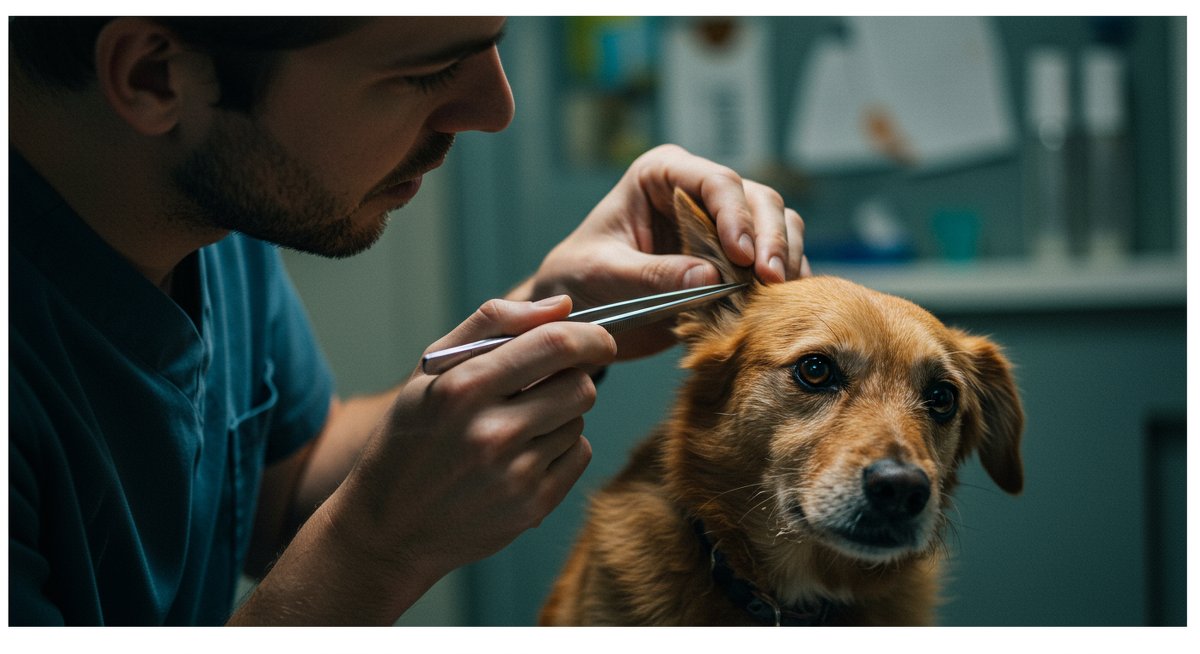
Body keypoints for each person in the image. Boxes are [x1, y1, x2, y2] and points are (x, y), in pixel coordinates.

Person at [8, 16, 810, 625]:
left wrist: (557, 302)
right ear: (154, 76)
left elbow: (284, 490)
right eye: (426, 73)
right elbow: (345, 528)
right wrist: (374, 549)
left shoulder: (208, 220)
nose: (495, 110)